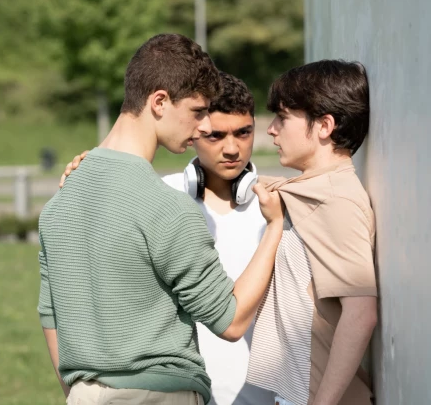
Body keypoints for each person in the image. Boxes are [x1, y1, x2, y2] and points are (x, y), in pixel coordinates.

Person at [38, 33, 284, 405]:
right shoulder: (166, 206)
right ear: (159, 102)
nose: (203, 127)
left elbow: (50, 315)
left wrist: (80, 393)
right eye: (198, 111)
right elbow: (230, 320)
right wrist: (275, 228)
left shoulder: (60, 202)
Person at [246, 60, 378, 405]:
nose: (272, 129)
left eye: (283, 117)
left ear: (324, 126)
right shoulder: (313, 191)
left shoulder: (335, 200)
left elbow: (361, 311)